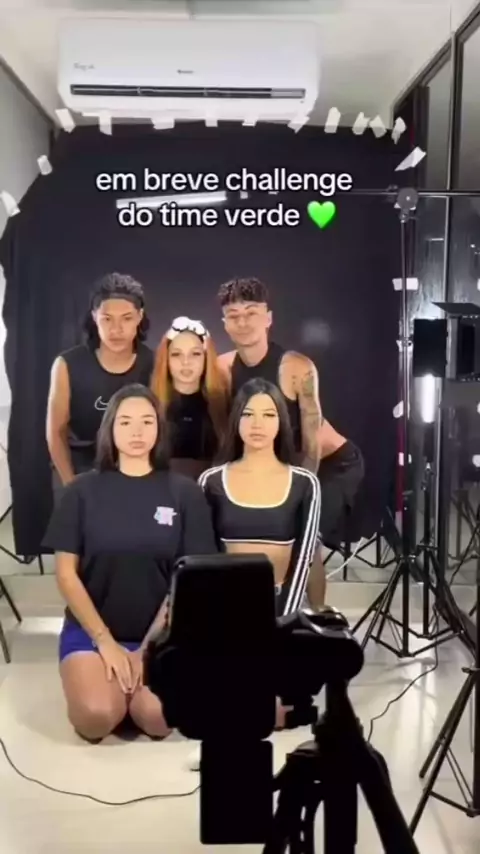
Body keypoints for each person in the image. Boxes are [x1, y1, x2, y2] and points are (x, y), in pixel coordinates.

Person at [42, 384, 218, 743]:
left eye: (146, 422)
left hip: (163, 635)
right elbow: (66, 574)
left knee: (157, 718)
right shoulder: (80, 492)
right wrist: (105, 641)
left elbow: (189, 580)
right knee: (96, 718)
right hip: (92, 631)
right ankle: (107, 686)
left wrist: (148, 648)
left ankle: (133, 692)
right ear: (110, 429)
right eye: (125, 422)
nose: (136, 431)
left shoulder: (185, 493)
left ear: (159, 429)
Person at [216, 276, 364, 609]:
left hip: (329, 463)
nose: (243, 322)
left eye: (251, 313)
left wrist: (299, 494)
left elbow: (312, 443)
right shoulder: (222, 367)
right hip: (279, 463)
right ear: (224, 323)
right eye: (234, 315)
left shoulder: (296, 368)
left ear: (268, 318)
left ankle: (318, 617)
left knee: (306, 537)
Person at [198, 378, 321, 618]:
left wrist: (284, 622)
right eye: (248, 414)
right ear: (236, 419)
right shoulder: (211, 481)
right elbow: (201, 557)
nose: (257, 424)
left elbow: (304, 559)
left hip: (279, 609)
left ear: (281, 421)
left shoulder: (305, 484)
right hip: (222, 608)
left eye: (268, 415)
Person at [46, 272, 154, 489]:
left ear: (139, 316)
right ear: (94, 316)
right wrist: (72, 486)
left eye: (126, 318)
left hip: (138, 470)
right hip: (80, 468)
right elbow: (55, 432)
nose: (116, 329)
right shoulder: (67, 364)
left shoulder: (154, 363)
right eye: (107, 319)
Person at [150, 316, 229, 479]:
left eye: (195, 354)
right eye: (176, 354)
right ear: (166, 359)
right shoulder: (149, 406)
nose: (186, 362)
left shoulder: (224, 405)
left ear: (206, 357)